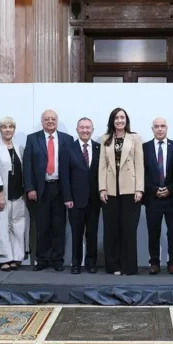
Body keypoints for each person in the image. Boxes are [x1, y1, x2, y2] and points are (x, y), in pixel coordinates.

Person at [24, 109, 72, 272]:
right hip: (40, 189)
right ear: (42, 121)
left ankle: (58, 259)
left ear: (57, 121)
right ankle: (42, 259)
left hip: (60, 188)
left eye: (53, 119)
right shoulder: (32, 139)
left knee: (59, 226)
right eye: (47, 119)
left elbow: (71, 168)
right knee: (42, 226)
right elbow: (27, 166)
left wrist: (69, 193)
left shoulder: (67, 139)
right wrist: (30, 188)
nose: (50, 121)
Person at [98, 108, 144, 275]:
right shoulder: (105, 139)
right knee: (111, 230)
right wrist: (102, 188)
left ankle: (129, 267)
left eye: (122, 117)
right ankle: (113, 266)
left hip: (130, 190)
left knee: (129, 229)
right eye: (116, 118)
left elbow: (139, 165)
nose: (119, 120)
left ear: (126, 120)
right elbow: (102, 165)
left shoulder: (135, 138)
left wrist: (139, 188)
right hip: (110, 191)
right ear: (112, 120)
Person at [61, 117, 101, 274]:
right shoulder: (68, 148)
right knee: (76, 234)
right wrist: (67, 197)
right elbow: (64, 175)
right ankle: (76, 263)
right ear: (77, 130)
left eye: (88, 128)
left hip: (94, 200)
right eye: (82, 128)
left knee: (92, 233)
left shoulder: (99, 148)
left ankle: (91, 263)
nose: (85, 130)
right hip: (75, 200)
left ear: (92, 130)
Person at [0, 117, 28, 271]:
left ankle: (17, 257)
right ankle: (5, 259)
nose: (8, 129)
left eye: (11, 127)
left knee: (18, 226)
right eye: (4, 127)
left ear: (14, 129)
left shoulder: (19, 148)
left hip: (18, 194)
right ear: (0, 130)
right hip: (2, 195)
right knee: (2, 226)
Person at [142, 118, 173, 275]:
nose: (159, 129)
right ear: (152, 129)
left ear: (167, 128)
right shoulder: (144, 148)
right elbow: (141, 173)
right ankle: (154, 263)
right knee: (153, 233)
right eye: (156, 126)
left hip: (172, 198)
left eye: (162, 126)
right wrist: (153, 190)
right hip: (153, 198)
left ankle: (172, 263)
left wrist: (170, 189)